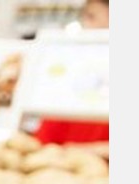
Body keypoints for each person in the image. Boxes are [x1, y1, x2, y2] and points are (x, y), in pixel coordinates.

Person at [32, 0, 109, 152]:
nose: (85, 25)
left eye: (91, 17)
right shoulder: (73, 69)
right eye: (85, 17)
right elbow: (45, 141)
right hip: (61, 166)